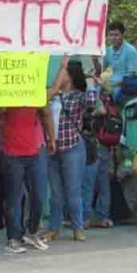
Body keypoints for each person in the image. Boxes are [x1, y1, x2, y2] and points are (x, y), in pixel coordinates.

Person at [47, 58, 96, 242]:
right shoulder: (53, 94)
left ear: (71, 75)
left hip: (72, 146)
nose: (61, 75)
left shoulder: (78, 96)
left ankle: (78, 227)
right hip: (53, 147)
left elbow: (91, 102)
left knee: (73, 189)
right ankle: (54, 227)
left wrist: (91, 81)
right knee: (56, 192)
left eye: (64, 72)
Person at [0, 99, 55, 254]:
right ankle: (14, 238)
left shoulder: (35, 89)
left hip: (36, 149)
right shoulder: (5, 90)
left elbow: (46, 113)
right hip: (11, 150)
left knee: (39, 194)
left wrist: (51, 137)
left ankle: (33, 231)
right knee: (14, 197)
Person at [81, 85, 115, 229]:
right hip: (106, 146)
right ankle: (102, 216)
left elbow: (99, 111)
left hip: (93, 145)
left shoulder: (92, 99)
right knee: (103, 184)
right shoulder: (110, 102)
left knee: (88, 183)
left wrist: (90, 113)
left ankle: (86, 218)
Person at [96, 22, 137, 100]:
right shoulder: (108, 50)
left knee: (116, 94)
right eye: (111, 35)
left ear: (122, 35)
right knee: (94, 89)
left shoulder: (131, 51)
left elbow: (131, 75)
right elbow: (102, 69)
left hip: (124, 84)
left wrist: (112, 85)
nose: (113, 38)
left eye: (116, 35)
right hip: (111, 81)